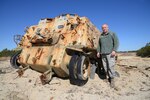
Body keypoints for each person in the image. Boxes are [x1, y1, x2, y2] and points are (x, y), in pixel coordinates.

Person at [97, 24, 119, 88]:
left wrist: (114, 50)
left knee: (110, 66)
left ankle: (112, 80)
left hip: (110, 53)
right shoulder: (101, 36)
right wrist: (98, 52)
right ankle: (107, 77)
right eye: (102, 28)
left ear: (108, 28)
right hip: (103, 54)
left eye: (105, 27)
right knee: (105, 66)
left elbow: (116, 42)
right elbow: (99, 45)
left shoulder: (112, 34)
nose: (104, 28)